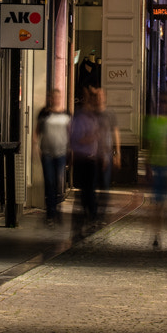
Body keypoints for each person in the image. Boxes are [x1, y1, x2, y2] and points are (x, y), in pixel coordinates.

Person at [143, 96, 167, 249]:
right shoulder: (154, 123)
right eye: (163, 103)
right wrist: (148, 166)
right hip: (158, 166)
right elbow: (150, 146)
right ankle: (157, 235)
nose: (165, 106)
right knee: (158, 204)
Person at [68, 90, 103, 238]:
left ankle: (89, 217)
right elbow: (77, 139)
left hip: (91, 158)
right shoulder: (81, 119)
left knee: (89, 190)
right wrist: (93, 137)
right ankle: (87, 217)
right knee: (87, 190)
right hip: (83, 158)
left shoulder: (92, 118)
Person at [34, 89, 71, 225]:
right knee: (49, 181)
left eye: (58, 97)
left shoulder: (66, 113)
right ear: (50, 98)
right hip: (47, 152)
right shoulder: (44, 113)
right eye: (53, 97)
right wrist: (35, 145)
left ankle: (55, 209)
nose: (55, 99)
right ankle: (50, 213)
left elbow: (70, 131)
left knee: (56, 181)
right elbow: (37, 130)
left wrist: (71, 148)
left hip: (61, 152)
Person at [95, 87, 121, 200]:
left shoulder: (110, 114)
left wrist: (117, 153)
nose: (100, 98)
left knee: (105, 182)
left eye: (101, 96)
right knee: (93, 181)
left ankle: (102, 207)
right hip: (93, 153)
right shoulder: (91, 113)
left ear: (105, 98)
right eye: (97, 96)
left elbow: (116, 133)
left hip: (107, 152)